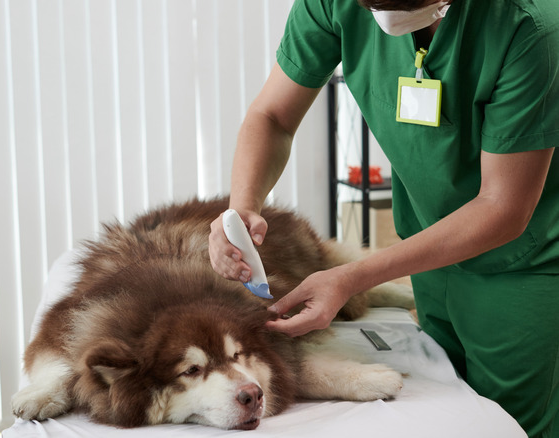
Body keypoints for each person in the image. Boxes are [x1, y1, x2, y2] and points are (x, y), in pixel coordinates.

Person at [207, 0, 559, 436]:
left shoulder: (528, 25)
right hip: (429, 253)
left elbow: (502, 208)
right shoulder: (333, 4)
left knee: (510, 426)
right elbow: (274, 115)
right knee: (447, 415)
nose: (384, 19)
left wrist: (351, 278)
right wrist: (242, 206)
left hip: (521, 267)